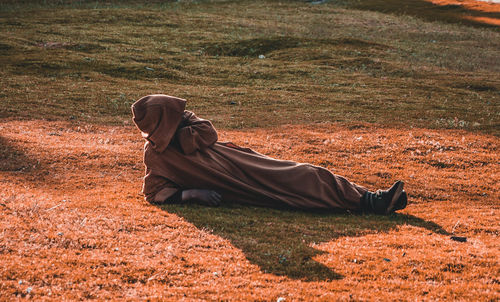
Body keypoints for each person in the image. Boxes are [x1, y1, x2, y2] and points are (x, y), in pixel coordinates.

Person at [132, 94, 407, 215]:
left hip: (245, 162)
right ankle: (371, 203)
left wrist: (183, 131)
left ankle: (371, 198)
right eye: (174, 113)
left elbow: (209, 134)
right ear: (165, 119)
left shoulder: (187, 124)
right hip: (237, 183)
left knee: (301, 172)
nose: (182, 113)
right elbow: (154, 192)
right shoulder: (157, 155)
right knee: (303, 178)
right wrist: (193, 195)